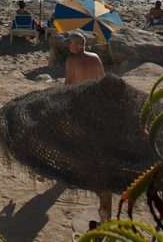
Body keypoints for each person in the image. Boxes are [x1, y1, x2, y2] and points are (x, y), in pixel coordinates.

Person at [63, 31, 111, 222]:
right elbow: (103, 78)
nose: (68, 46)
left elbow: (69, 83)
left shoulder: (71, 60)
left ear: (75, 45)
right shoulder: (96, 57)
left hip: (80, 102)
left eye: (69, 43)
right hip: (97, 102)